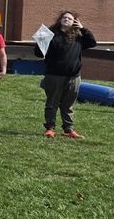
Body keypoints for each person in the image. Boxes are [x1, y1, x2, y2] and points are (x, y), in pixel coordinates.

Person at [36, 10, 97, 139]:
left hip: (74, 76)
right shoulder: (50, 35)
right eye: (64, 18)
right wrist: (41, 41)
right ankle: (49, 128)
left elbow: (92, 42)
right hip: (54, 75)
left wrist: (82, 28)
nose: (67, 20)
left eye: (70, 19)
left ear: (74, 22)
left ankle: (68, 130)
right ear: (60, 20)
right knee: (52, 103)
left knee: (68, 105)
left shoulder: (78, 38)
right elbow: (38, 53)